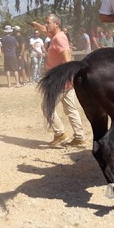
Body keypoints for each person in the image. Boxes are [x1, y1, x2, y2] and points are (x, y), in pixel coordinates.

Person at [31, 14, 85, 148]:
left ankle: (60, 134)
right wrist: (36, 24)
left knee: (47, 107)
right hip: (65, 80)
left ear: (56, 24)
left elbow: (67, 60)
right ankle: (79, 137)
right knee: (71, 109)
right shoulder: (55, 36)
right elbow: (44, 30)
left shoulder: (59, 39)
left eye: (48, 23)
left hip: (60, 80)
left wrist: (68, 77)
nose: (46, 25)